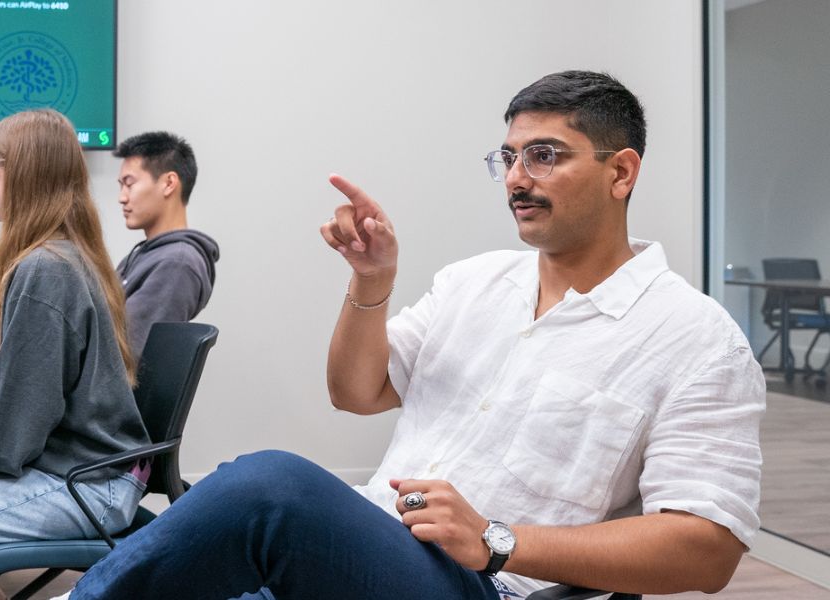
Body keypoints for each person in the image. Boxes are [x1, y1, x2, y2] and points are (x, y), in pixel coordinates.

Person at [64, 71, 764, 599]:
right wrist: (371, 283)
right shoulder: (475, 283)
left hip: (489, 585)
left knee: (269, 484)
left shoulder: (696, 340)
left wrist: (497, 540)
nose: (517, 178)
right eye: (510, 157)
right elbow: (355, 391)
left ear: (621, 172)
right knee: (227, 513)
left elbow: (708, 547)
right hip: (376, 551)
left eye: (545, 155)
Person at [0, 109, 151, 600]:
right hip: (94, 472)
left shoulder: (43, 271)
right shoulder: (65, 255)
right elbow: (45, 408)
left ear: (17, 174)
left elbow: (12, 448)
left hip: (89, 485)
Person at [112, 131, 219, 355]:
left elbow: (121, 357)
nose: (122, 197)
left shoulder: (176, 263)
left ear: (169, 183)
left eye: (129, 184)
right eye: (121, 185)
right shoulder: (146, 256)